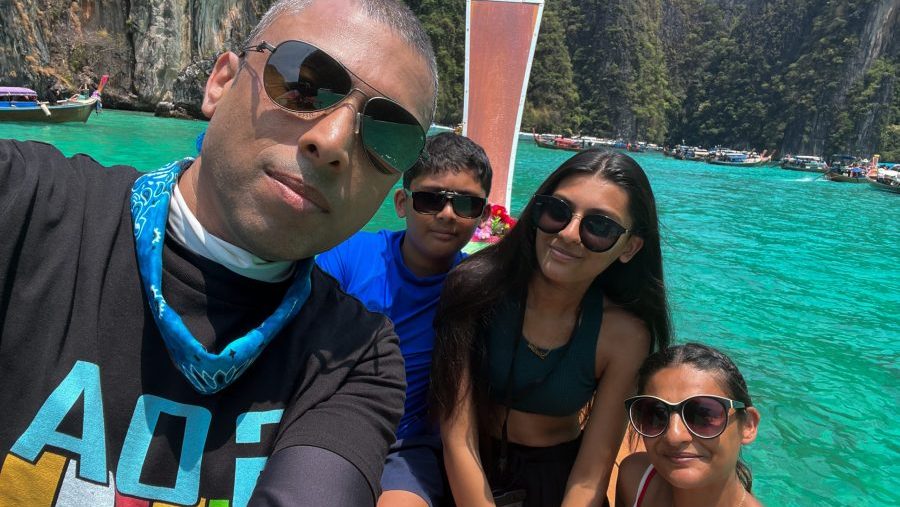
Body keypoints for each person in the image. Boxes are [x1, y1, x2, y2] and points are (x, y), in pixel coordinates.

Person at [0, 0, 437, 506]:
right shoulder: (22, 206)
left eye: (386, 134)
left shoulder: (355, 357)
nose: (332, 140)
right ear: (221, 82)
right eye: (302, 83)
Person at [431, 149, 672, 506]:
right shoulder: (475, 290)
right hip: (469, 472)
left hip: (559, 479)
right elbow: (457, 435)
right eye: (558, 211)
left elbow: (591, 471)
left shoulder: (625, 335)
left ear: (629, 247)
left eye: (599, 226)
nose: (570, 234)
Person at [317, 132, 493, 507]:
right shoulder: (350, 257)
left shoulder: (474, 292)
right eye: (430, 199)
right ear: (402, 202)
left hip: (405, 448)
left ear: (482, 217)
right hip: (328, 423)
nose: (447, 214)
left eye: (466, 204)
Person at [615, 343, 761, 507]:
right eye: (656, 414)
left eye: (702, 415)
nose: (673, 435)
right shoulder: (634, 479)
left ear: (748, 425)